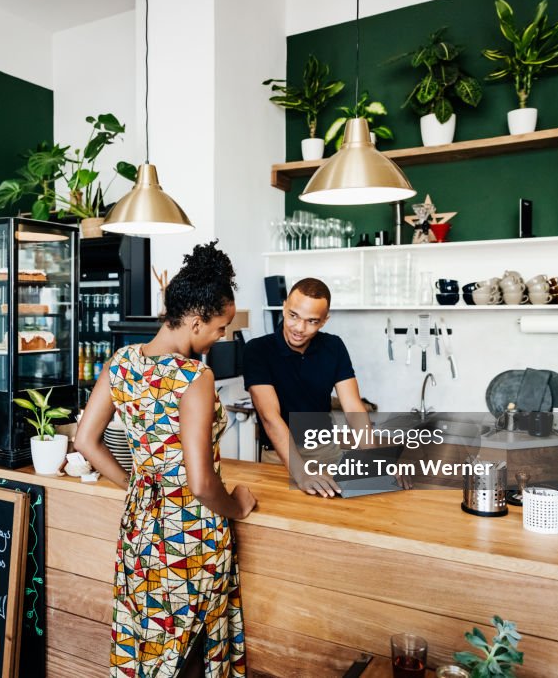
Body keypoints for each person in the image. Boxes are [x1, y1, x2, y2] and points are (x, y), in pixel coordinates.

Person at [75, 241, 256, 678]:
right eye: (220, 327)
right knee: (189, 648)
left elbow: (86, 442)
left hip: (141, 525)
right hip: (190, 535)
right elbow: (199, 482)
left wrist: (138, 484)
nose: (221, 337)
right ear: (195, 322)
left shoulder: (120, 363)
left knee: (148, 638)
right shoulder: (195, 377)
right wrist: (237, 504)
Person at [244, 277, 373, 498]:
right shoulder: (257, 350)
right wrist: (302, 474)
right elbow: (270, 417)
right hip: (279, 461)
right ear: (284, 308)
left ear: (324, 320)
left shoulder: (334, 346)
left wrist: (375, 458)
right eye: (293, 316)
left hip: (328, 455)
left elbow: (353, 406)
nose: (299, 328)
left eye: (312, 321)